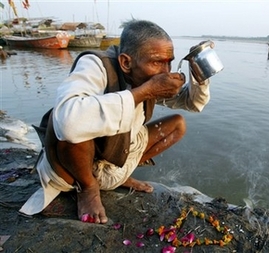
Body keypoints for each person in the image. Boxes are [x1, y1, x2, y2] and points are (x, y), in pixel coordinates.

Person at [20, 19, 212, 224]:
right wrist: (145, 92)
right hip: (73, 167)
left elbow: (191, 103)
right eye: (157, 62)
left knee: (177, 124)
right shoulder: (95, 65)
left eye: (169, 61)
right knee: (68, 121)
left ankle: (121, 177)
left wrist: (199, 75)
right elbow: (68, 122)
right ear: (126, 62)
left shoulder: (149, 75)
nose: (166, 71)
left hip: (113, 157)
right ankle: (88, 187)